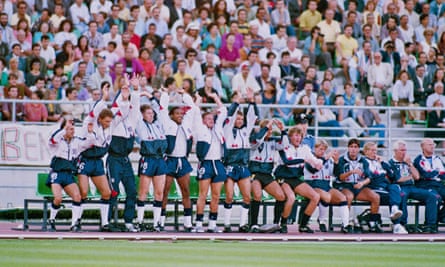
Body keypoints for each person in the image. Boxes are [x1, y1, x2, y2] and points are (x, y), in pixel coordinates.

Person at [46, 118, 95, 232]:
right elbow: (53, 139)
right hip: (57, 172)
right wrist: (64, 128)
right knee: (58, 198)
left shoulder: (76, 142)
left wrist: (90, 132)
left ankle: (74, 224)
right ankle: (51, 220)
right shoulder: (58, 141)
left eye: (73, 128)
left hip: (68, 173)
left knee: (77, 197)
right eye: (69, 129)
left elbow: (89, 143)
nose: (72, 131)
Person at [77, 83, 114, 232]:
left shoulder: (109, 127)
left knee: (106, 193)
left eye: (109, 122)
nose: (108, 124)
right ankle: (76, 220)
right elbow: (96, 110)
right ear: (100, 120)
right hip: (86, 159)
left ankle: (104, 223)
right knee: (84, 192)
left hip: (98, 161)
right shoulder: (90, 122)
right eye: (106, 121)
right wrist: (104, 97)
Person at [158, 88, 196, 232]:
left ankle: (188, 223)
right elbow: (162, 108)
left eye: (181, 114)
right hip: (169, 161)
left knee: (185, 191)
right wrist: (165, 94)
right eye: (177, 114)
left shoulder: (186, 124)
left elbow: (192, 108)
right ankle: (160, 221)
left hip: (182, 160)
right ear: (171, 115)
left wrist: (184, 94)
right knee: (165, 191)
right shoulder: (167, 123)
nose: (180, 116)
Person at [107, 74, 141, 232]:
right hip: (113, 158)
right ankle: (108, 221)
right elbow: (119, 109)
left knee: (132, 191)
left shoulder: (131, 122)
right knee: (113, 191)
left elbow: (135, 107)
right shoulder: (113, 121)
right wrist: (124, 96)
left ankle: (128, 221)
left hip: (125, 159)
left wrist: (135, 89)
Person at [222, 88, 257, 233]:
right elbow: (229, 117)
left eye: (241, 119)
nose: (239, 121)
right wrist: (236, 103)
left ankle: (243, 224)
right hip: (230, 165)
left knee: (247, 197)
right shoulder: (227, 129)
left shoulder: (245, 131)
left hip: (243, 166)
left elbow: (252, 118)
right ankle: (227, 224)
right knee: (229, 196)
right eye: (238, 119)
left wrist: (251, 101)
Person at [274, 126, 321, 233]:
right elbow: (287, 162)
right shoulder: (284, 147)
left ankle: (303, 224)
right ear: (290, 137)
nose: (298, 138)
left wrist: (318, 163)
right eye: (295, 135)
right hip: (283, 177)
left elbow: (313, 160)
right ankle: (283, 223)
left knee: (315, 196)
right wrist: (304, 160)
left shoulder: (305, 148)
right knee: (291, 198)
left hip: (295, 178)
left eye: (299, 135)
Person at [388, 140, 440, 233]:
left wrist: (410, 164)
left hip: (412, 187)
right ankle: (402, 223)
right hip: (400, 187)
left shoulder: (408, 162)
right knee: (402, 195)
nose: (404, 152)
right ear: (395, 151)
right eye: (401, 150)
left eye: (405, 150)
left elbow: (417, 176)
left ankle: (430, 224)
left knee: (431, 196)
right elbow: (398, 179)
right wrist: (409, 177)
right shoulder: (391, 163)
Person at [192, 93, 227, 233]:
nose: (211, 120)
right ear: (203, 121)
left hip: (218, 163)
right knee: (203, 194)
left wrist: (215, 98)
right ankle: (199, 223)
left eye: (212, 118)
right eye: (207, 118)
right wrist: (198, 100)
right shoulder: (200, 129)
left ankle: (212, 223)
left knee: (216, 195)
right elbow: (194, 112)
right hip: (206, 164)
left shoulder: (218, 128)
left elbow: (223, 110)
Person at [334, 138, 382, 233]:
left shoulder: (363, 161)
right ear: (348, 148)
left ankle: (372, 222)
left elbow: (369, 177)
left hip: (359, 186)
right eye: (351, 147)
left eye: (355, 147)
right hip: (345, 185)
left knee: (375, 197)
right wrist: (351, 172)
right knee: (348, 196)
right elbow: (340, 177)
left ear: (358, 149)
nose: (353, 149)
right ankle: (345, 223)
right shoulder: (342, 160)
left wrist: (362, 183)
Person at [304, 139, 350, 233]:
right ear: (315, 149)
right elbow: (313, 169)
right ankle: (322, 220)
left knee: (342, 198)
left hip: (325, 184)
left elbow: (337, 174)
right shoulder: (310, 157)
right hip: (312, 184)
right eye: (320, 149)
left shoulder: (328, 160)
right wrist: (325, 158)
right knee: (327, 197)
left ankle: (346, 224)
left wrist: (336, 162)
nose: (322, 152)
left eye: (324, 150)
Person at [135, 99, 167, 232]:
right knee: (143, 191)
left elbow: (161, 110)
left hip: (159, 159)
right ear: (142, 114)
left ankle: (156, 223)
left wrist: (155, 97)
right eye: (148, 113)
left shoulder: (157, 125)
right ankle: (140, 221)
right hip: (148, 159)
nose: (151, 115)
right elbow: (135, 110)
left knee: (159, 192)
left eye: (152, 113)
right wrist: (140, 93)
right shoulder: (140, 125)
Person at [248, 119, 286, 233]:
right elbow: (257, 141)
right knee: (257, 195)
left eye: (270, 130)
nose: (269, 132)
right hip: (255, 172)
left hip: (267, 173)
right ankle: (253, 224)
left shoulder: (273, 142)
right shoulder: (254, 139)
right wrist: (265, 128)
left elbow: (285, 145)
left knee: (280, 196)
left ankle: (276, 223)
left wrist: (282, 130)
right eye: (267, 130)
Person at [361, 142, 404, 232]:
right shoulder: (363, 161)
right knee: (395, 197)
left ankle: (394, 210)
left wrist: (383, 163)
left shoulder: (379, 162)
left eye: (376, 150)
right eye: (372, 150)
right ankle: (397, 224)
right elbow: (370, 176)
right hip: (374, 188)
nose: (375, 152)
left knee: (395, 187)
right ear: (366, 152)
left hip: (385, 186)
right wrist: (382, 176)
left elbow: (393, 176)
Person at [413, 138, 445, 224]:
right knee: (435, 197)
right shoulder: (418, 160)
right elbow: (426, 175)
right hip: (426, 185)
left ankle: (440, 217)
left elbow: (443, 175)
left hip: (438, 184)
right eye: (429, 144)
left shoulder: (437, 159)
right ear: (423, 146)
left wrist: (434, 173)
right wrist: (438, 172)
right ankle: (430, 224)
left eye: (433, 144)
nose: (432, 146)